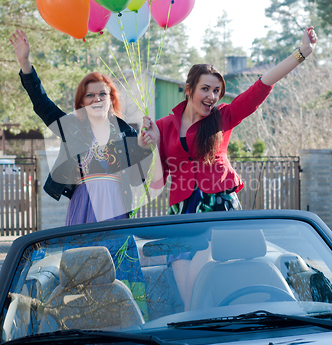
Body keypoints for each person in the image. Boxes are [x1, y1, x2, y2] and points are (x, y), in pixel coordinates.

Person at [140, 26, 318, 308]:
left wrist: (301, 53)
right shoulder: (163, 126)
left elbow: (260, 87)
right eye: (205, 89)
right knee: (183, 279)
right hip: (182, 209)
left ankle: (206, 330)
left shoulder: (223, 117)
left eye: (216, 91)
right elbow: (159, 181)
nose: (212, 96)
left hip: (217, 203)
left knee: (202, 270)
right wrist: (151, 144)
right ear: (189, 90)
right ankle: (195, 338)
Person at [10, 29, 154, 225]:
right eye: (90, 95)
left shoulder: (127, 132)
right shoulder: (71, 127)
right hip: (84, 205)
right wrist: (25, 63)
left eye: (102, 94)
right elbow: (42, 104)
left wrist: (146, 147)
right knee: (83, 255)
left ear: (111, 99)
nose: (97, 98)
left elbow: (140, 178)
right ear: (82, 102)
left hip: (117, 207)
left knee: (114, 255)